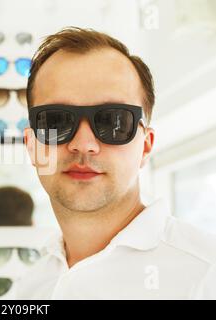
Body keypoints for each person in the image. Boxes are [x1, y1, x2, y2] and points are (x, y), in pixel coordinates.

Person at [19, 27, 216, 299]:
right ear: (32, 146)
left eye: (114, 121)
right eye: (55, 121)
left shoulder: (206, 276)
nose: (83, 144)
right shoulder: (32, 284)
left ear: (145, 146)